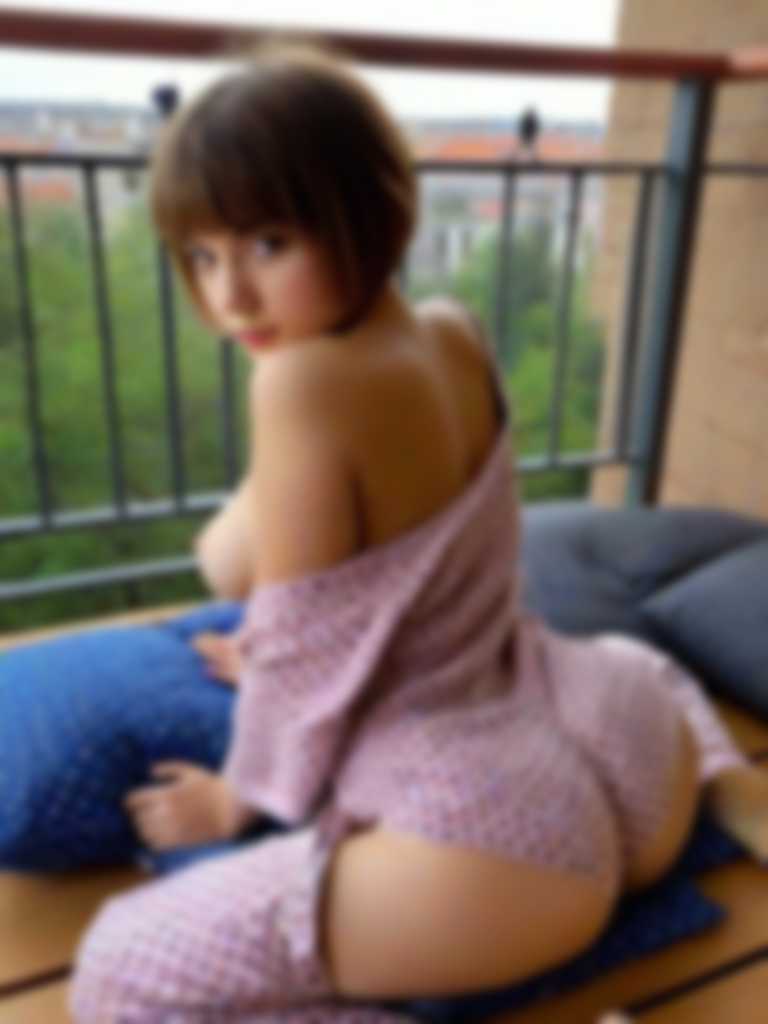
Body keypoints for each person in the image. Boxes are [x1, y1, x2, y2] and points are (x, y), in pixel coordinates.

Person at [69, 35, 768, 1024]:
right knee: (630, 654)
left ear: (365, 212)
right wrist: (264, 645)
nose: (230, 295)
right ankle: (731, 786)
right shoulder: (451, 327)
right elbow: (384, 581)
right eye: (202, 254)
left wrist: (232, 800)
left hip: (494, 847)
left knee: (112, 973)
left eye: (268, 243)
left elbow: (298, 640)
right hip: (626, 759)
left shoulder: (301, 381)